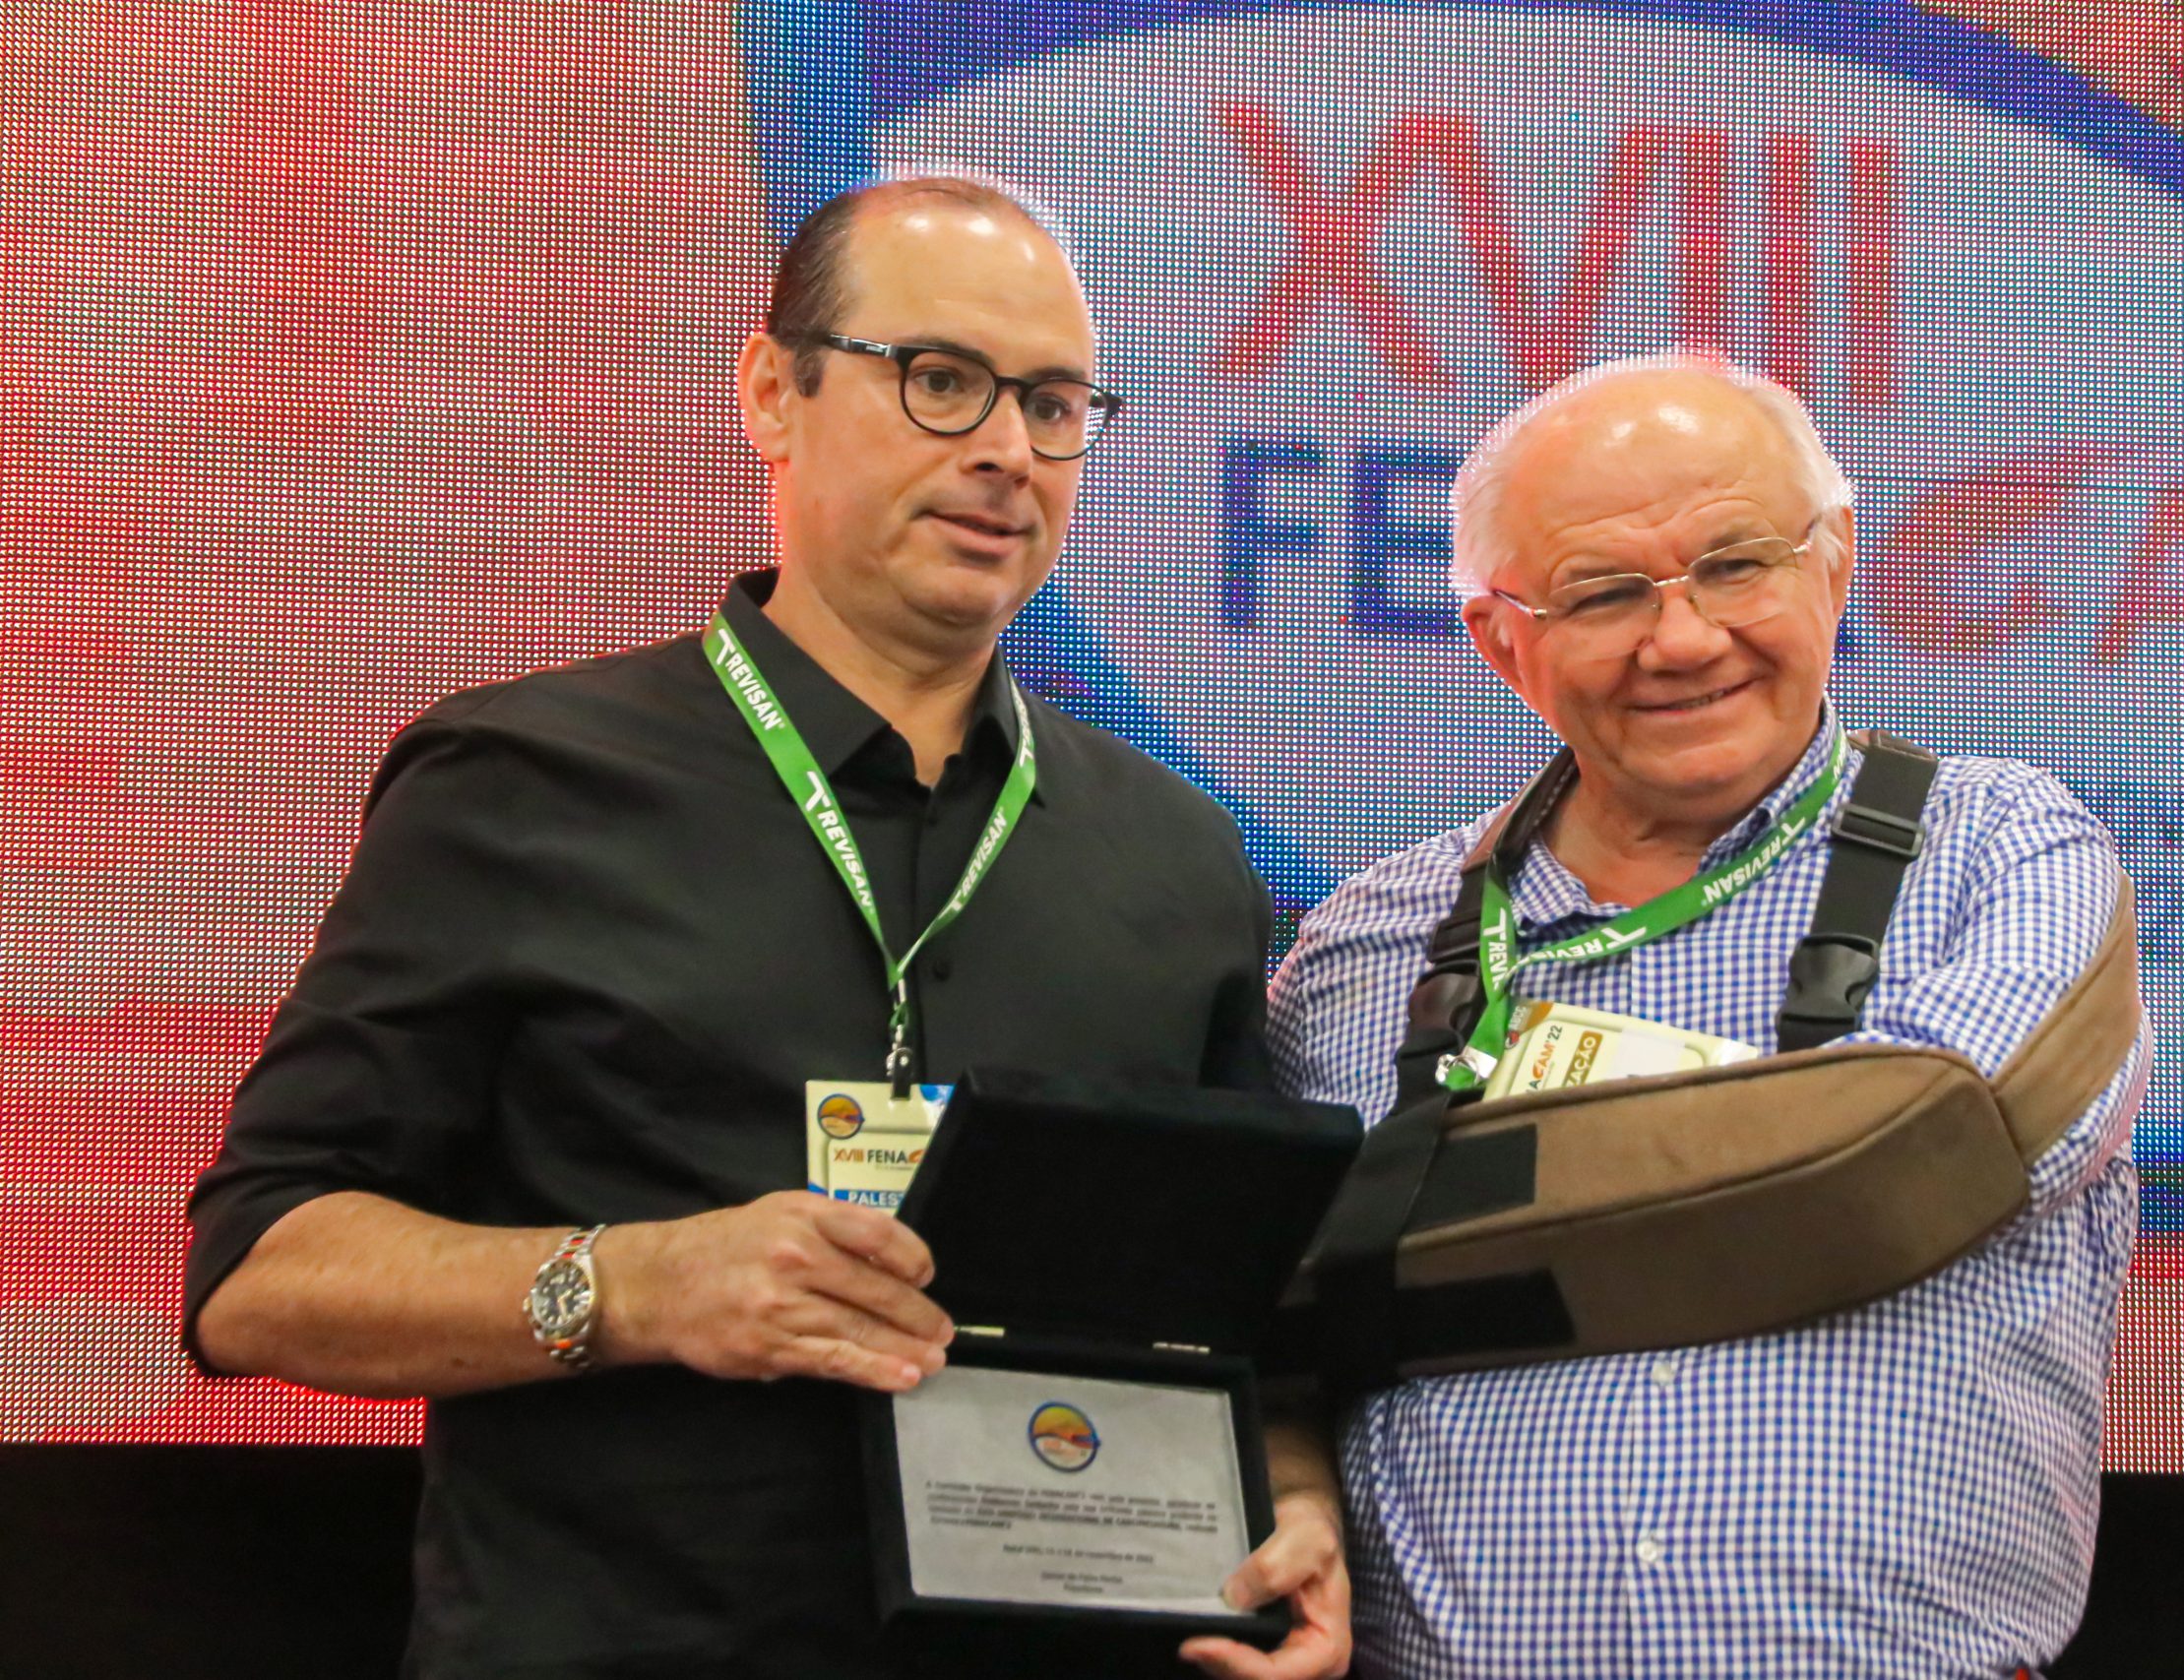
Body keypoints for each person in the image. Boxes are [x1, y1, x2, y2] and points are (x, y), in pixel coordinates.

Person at [184, 174, 1348, 1680]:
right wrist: (633, 1286)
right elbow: (262, 1273)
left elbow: (1239, 1304)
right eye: (941, 380)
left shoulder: (1179, 853)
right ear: (770, 393)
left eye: (1056, 406)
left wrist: (1294, 1491)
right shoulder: (522, 784)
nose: (1007, 450)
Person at [1269, 350, 2147, 1680]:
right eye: (1603, 593)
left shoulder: (2000, 852)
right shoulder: (1359, 950)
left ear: (1833, 565)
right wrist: (1290, 1478)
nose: (1681, 640)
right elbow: (1263, 1317)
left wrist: (1435, 1195)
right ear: (1501, 641)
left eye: (1735, 566)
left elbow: (1930, 1144)